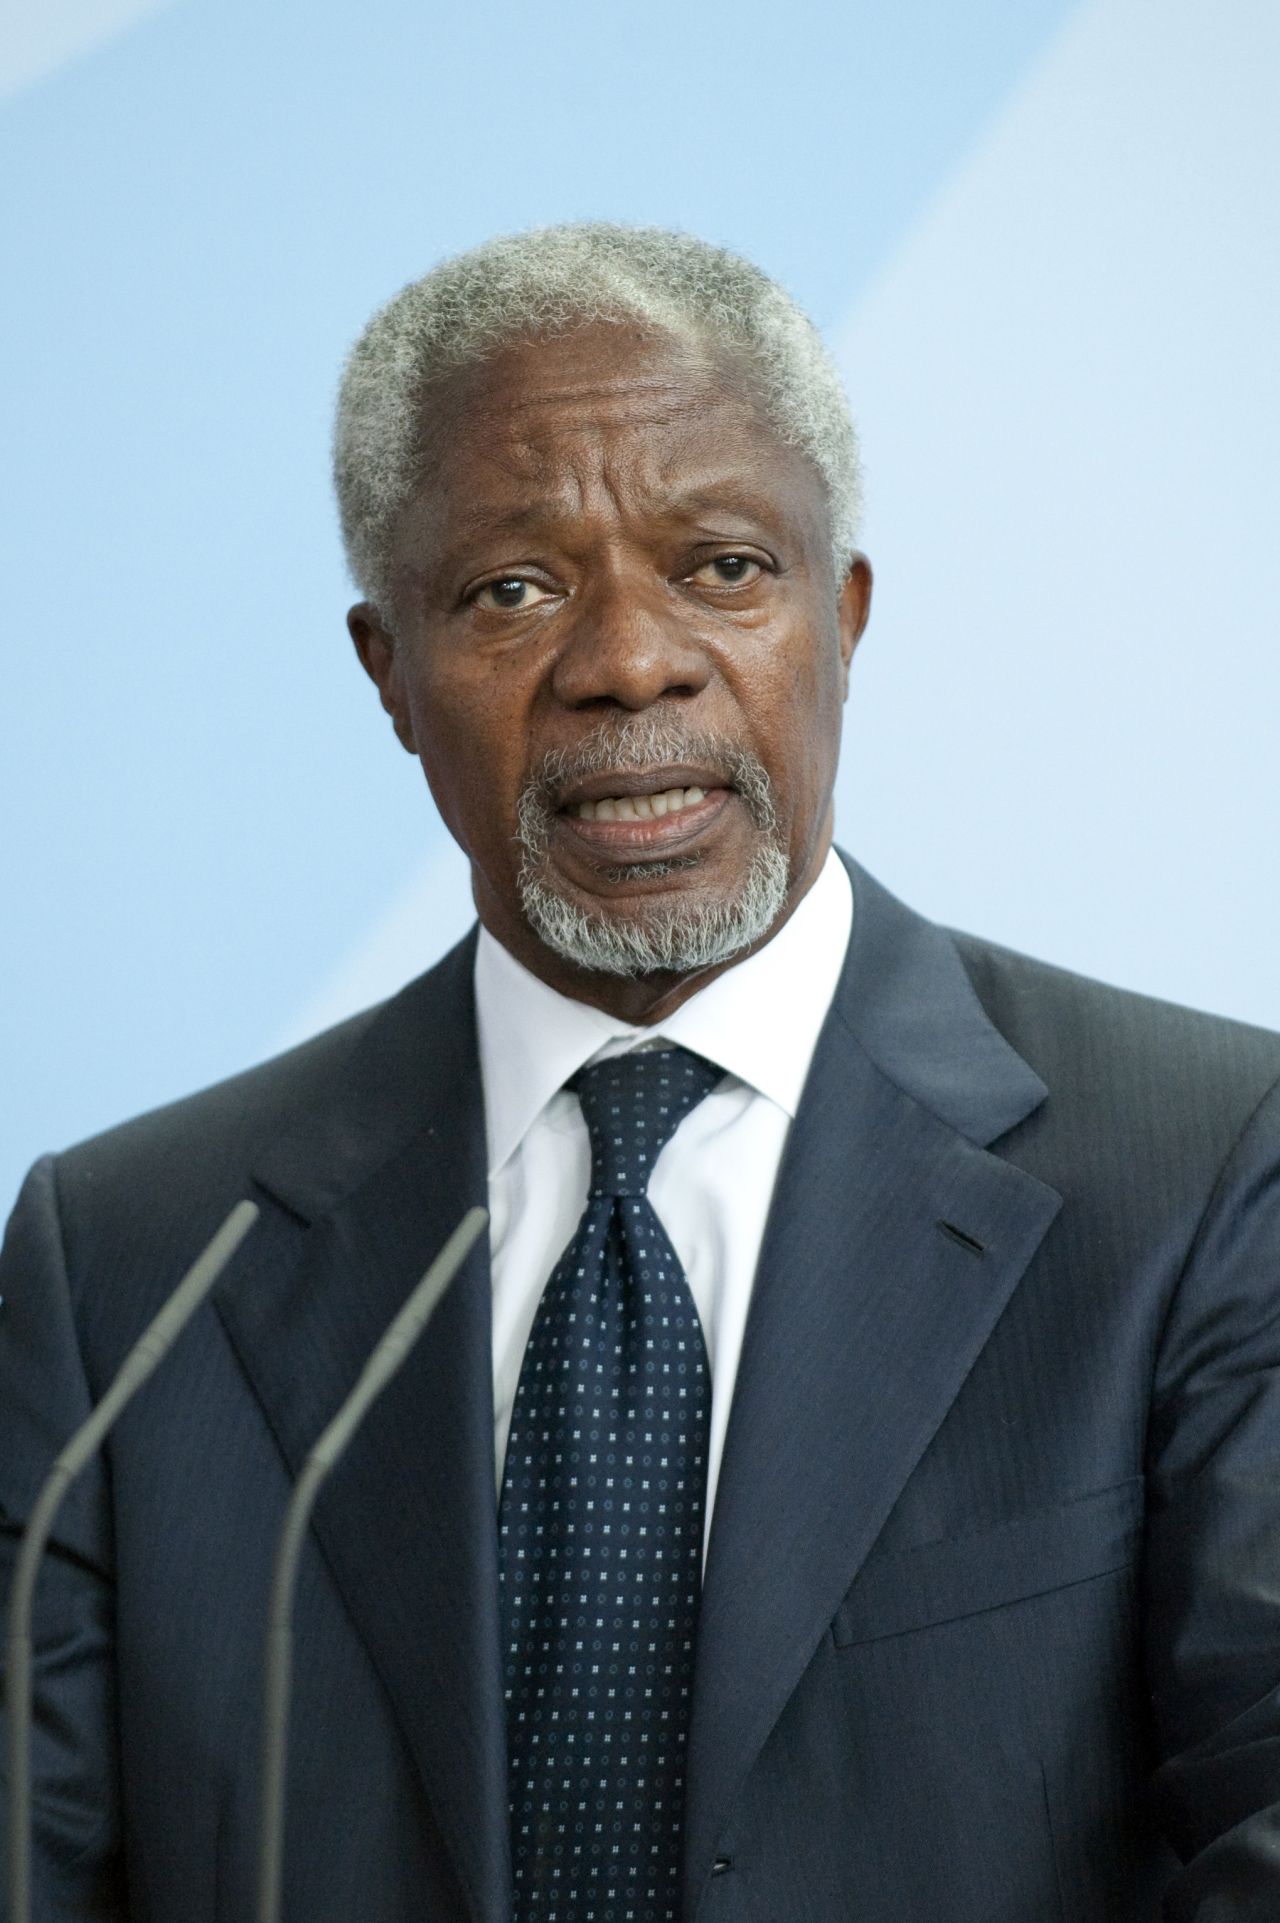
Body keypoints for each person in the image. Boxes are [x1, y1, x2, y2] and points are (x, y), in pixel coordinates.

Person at [2, 222, 1279, 1923]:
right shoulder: (135, 1260)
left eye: (725, 566)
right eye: (513, 590)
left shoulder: (1202, 1172)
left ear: (844, 615)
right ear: (389, 670)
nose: (626, 661)